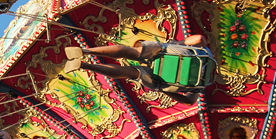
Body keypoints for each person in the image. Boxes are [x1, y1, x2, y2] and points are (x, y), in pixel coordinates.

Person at [63, 35, 210, 105]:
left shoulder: (207, 54)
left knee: (133, 52)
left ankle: (86, 51)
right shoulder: (201, 85)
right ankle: (84, 66)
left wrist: (174, 43)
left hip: (173, 54)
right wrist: (164, 90)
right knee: (130, 72)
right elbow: (189, 101)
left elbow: (198, 39)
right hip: (165, 80)